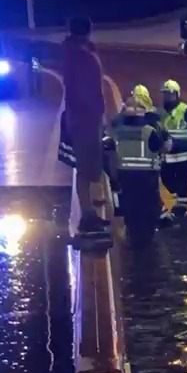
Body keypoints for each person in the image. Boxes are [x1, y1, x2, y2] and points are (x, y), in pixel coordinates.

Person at [58, 16, 109, 237]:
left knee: (86, 169)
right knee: (88, 169)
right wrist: (98, 115)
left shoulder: (75, 53)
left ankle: (89, 214)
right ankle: (88, 216)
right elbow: (87, 91)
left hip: (81, 119)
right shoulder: (81, 57)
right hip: (85, 120)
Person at [107, 84, 167, 244]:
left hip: (125, 176)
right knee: (148, 207)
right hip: (147, 177)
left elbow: (109, 151)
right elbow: (162, 147)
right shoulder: (149, 130)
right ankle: (146, 238)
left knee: (130, 207)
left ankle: (133, 234)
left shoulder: (118, 130)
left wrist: (113, 177)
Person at [158, 79, 187, 223]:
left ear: (176, 95)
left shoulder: (186, 111)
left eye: (169, 95)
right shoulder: (163, 113)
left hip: (183, 157)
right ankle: (182, 202)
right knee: (167, 179)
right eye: (164, 95)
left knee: (182, 184)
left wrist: (184, 145)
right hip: (168, 157)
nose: (166, 98)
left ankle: (182, 209)